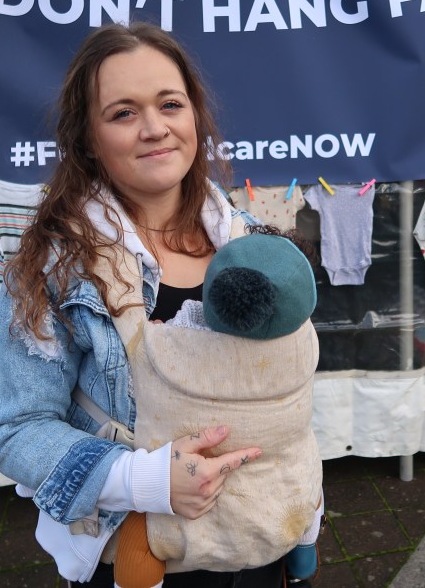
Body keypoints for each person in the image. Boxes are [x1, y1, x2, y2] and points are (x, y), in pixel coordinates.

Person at [0, 22, 298, 587]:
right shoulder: (54, 268)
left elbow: (284, 386)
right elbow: (15, 428)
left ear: (194, 115)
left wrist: (304, 499)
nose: (155, 128)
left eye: (170, 104)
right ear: (88, 139)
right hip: (139, 558)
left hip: (258, 538)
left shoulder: (250, 242)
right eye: (123, 113)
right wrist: (145, 480)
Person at [114, 227, 324, 588]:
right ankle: (304, 555)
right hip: (282, 498)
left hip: (180, 512)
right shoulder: (303, 342)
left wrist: (157, 331)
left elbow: (147, 352)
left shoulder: (177, 336)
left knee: (138, 532)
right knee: (308, 478)